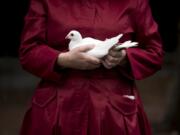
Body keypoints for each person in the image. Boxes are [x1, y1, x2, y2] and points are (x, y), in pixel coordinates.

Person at [19, 0, 164, 134]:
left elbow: (155, 53)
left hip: (114, 113)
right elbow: (29, 51)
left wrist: (124, 57)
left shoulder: (134, 2)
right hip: (57, 109)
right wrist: (62, 60)